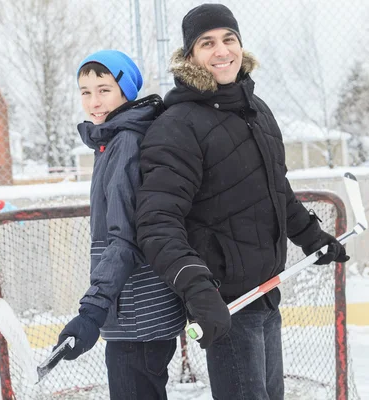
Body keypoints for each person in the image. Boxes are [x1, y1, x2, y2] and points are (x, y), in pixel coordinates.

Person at [135, 4, 350, 400]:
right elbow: (157, 221)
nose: (222, 51)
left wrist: (311, 236)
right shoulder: (178, 124)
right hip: (226, 303)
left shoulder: (256, 110)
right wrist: (196, 287)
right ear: (189, 56)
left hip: (266, 292)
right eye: (207, 43)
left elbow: (274, 188)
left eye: (229, 39)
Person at [54, 50, 186, 400]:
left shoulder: (126, 141)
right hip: (134, 311)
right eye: (85, 92)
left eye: (104, 89)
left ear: (125, 91)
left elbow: (123, 239)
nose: (94, 101)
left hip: (137, 314)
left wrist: (92, 311)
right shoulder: (113, 139)